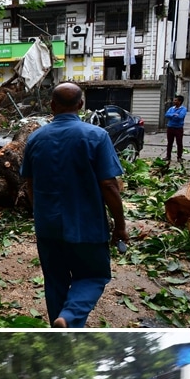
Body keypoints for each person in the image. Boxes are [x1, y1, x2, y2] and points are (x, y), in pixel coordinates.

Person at [20, 82, 128, 328]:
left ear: (52, 105)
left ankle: (61, 324)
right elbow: (109, 185)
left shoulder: (35, 138)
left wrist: (39, 214)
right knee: (94, 275)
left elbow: (29, 183)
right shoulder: (97, 136)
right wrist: (120, 225)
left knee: (55, 281)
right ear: (81, 105)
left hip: (48, 226)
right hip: (86, 226)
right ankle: (68, 318)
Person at [164, 95, 187, 163]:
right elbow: (167, 115)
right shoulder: (171, 108)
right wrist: (174, 114)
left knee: (179, 143)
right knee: (169, 142)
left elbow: (180, 116)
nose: (174, 101)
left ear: (179, 101)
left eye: (176, 100)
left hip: (178, 128)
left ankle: (179, 157)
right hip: (170, 127)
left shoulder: (183, 109)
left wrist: (172, 115)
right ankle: (168, 156)